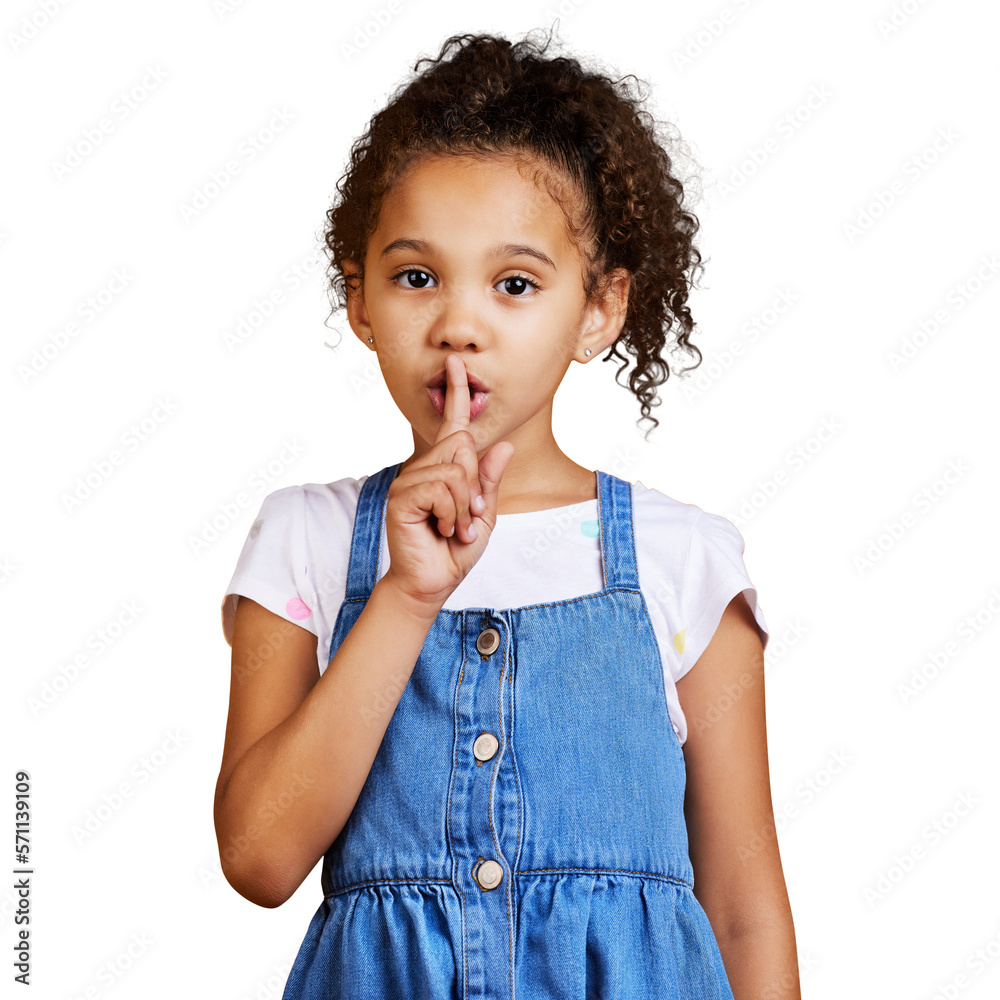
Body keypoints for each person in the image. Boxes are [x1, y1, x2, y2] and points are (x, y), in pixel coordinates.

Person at [214, 28, 800, 1000]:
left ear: (598, 310)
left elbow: (742, 903)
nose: (459, 323)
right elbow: (260, 856)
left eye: (515, 284)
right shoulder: (304, 539)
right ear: (357, 299)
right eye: (415, 277)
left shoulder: (682, 558)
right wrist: (404, 592)